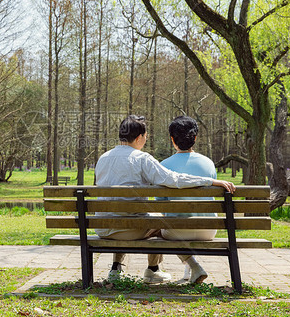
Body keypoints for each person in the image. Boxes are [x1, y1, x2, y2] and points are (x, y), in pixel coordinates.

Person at [94, 115, 235, 284]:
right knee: (163, 221)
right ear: (139, 137)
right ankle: (176, 268)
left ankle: (116, 269)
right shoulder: (141, 159)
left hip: (102, 228)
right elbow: (173, 179)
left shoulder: (103, 158)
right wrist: (208, 181)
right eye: (145, 137)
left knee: (128, 215)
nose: (146, 140)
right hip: (130, 229)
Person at [158, 115, 218, 284]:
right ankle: (190, 269)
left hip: (177, 232)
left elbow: (161, 204)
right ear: (195, 138)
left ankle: (190, 266)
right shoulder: (208, 163)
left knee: (160, 227)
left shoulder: (163, 165)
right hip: (208, 230)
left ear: (172, 139)